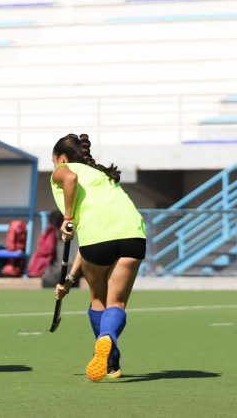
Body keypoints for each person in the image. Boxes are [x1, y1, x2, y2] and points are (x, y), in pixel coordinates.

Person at [51, 133, 146, 382]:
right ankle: (109, 344)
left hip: (97, 240)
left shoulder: (63, 170)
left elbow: (69, 178)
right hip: (133, 234)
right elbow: (86, 244)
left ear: (60, 158)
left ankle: (110, 360)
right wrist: (69, 280)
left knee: (98, 299)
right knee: (117, 304)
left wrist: (68, 219)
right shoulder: (102, 175)